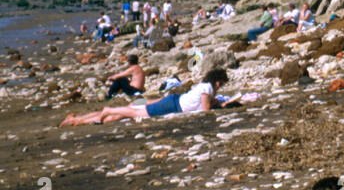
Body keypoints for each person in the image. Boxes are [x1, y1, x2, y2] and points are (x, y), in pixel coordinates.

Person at [61, 69, 230, 126]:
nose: (220, 87)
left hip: (173, 102)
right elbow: (206, 110)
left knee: (126, 114)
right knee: (133, 112)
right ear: (217, 81)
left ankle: (80, 120)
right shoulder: (207, 88)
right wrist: (221, 107)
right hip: (172, 105)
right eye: (221, 84)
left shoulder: (204, 86)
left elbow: (202, 104)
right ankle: (107, 109)